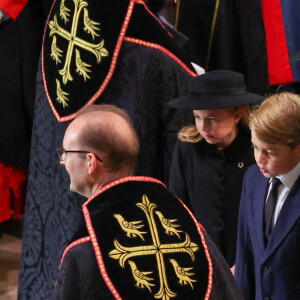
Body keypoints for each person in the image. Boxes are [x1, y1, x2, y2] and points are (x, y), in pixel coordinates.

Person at [54, 105, 243, 300]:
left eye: (66, 152)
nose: (63, 161)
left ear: (90, 162)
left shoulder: (86, 246)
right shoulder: (188, 225)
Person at [168, 70, 264, 267]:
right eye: (197, 117)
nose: (203, 127)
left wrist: (245, 262)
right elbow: (177, 205)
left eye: (212, 119)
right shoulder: (188, 148)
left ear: (237, 115)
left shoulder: (255, 150)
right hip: (201, 258)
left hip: (248, 259)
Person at [235, 92, 300, 300]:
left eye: (270, 152)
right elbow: (245, 255)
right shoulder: (252, 179)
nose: (259, 160)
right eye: (255, 147)